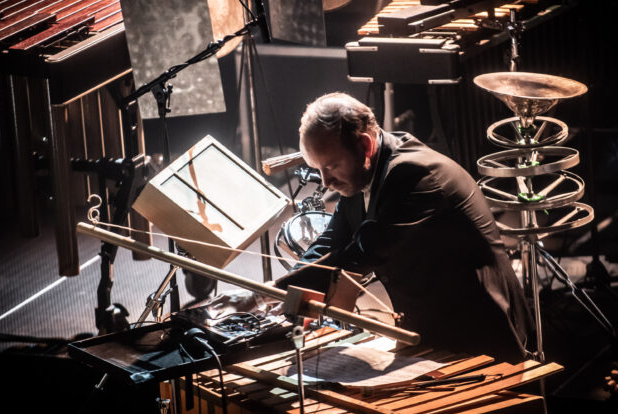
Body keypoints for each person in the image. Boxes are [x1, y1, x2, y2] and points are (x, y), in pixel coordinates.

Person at [208, 92, 533, 362]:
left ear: (365, 145)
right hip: (431, 328)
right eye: (318, 169)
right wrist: (287, 296)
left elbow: (360, 252)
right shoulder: (363, 174)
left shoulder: (413, 175)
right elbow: (330, 243)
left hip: (480, 331)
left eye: (332, 166)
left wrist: (258, 295)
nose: (326, 181)